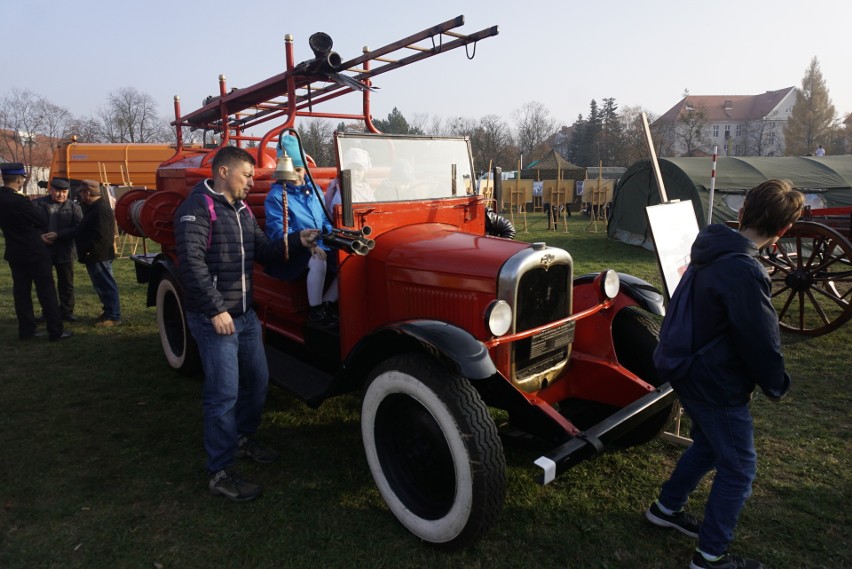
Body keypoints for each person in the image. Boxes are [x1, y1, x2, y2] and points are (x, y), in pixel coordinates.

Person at [646, 179, 804, 569]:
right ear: (783, 230)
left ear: (741, 211)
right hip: (713, 381)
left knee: (710, 445)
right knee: (739, 467)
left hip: (687, 368)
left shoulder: (711, 247)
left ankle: (666, 509)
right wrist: (775, 382)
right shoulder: (743, 269)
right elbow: (760, 339)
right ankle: (711, 556)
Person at [174, 145, 318, 502]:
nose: (252, 182)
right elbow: (191, 265)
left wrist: (296, 240)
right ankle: (220, 472)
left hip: (244, 314)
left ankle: (243, 438)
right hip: (216, 318)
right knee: (223, 393)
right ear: (223, 172)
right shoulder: (196, 209)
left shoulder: (239, 210)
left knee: (258, 380)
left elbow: (263, 251)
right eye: (247, 175)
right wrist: (215, 309)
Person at [265, 134, 339, 328]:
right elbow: (278, 231)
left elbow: (323, 218)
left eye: (300, 170)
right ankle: (315, 311)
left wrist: (333, 234)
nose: (298, 175)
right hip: (294, 250)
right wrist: (308, 246)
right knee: (318, 261)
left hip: (320, 243)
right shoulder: (276, 197)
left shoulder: (313, 190)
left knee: (348, 261)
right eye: (293, 170)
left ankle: (327, 304)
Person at [0, 163, 71, 341]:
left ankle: (26, 331)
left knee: (21, 293)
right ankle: (55, 330)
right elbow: (39, 220)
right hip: (34, 251)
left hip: (14, 252)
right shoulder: (20, 200)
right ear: (19, 179)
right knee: (46, 291)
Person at [35, 177, 83, 322]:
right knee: (45, 284)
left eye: (64, 192)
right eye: (57, 191)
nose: (61, 195)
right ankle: (48, 311)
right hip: (44, 250)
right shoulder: (37, 204)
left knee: (66, 283)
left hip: (65, 250)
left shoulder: (74, 207)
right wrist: (39, 236)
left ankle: (66, 312)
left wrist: (58, 235)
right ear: (50, 190)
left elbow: (79, 228)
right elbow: (29, 226)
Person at [75, 180, 121, 326]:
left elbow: (100, 236)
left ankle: (113, 316)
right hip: (96, 255)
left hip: (99, 255)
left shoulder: (100, 209)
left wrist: (89, 251)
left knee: (106, 285)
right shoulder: (95, 207)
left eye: (82, 192)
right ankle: (108, 311)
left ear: (88, 193)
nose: (80, 195)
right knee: (102, 285)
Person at [324, 147, 375, 211]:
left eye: (359, 170)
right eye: (351, 169)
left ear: (364, 172)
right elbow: (337, 213)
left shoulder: (366, 188)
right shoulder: (341, 189)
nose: (355, 173)